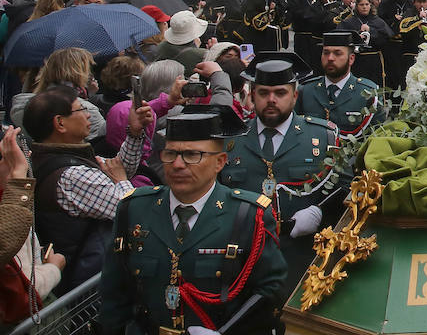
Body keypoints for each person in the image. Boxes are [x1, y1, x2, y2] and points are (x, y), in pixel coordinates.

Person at [99, 105, 287, 334]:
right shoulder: (135, 208)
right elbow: (114, 292)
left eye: (191, 155)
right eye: (170, 154)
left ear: (220, 162)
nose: (178, 165)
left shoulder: (248, 214)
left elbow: (270, 291)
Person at [219, 56, 344, 285]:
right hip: (243, 262)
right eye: (264, 93)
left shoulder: (322, 137)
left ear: (295, 96)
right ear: (252, 94)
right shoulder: (231, 141)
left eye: (280, 93)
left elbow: (344, 190)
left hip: (304, 260)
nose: (272, 100)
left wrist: (320, 213)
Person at [26, 85, 151, 293]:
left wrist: (134, 133)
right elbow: (133, 212)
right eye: (80, 109)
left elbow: (114, 171)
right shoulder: (72, 175)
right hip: (87, 287)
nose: (88, 114)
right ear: (60, 123)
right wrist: (120, 181)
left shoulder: (51, 157)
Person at [296, 32, 382, 138]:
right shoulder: (305, 91)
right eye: (326, 53)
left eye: (337, 53)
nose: (330, 58)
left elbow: (377, 138)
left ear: (351, 59)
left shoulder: (368, 93)